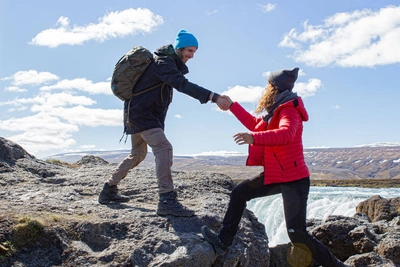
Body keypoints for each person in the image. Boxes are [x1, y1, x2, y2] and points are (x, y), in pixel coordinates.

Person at [202, 68, 349, 266]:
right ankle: (223, 242)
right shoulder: (274, 111)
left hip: (294, 179)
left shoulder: (289, 109)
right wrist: (232, 106)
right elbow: (256, 125)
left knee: (298, 235)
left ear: (275, 88)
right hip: (277, 175)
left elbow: (286, 133)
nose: (266, 89)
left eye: (269, 85)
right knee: (239, 193)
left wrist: (253, 138)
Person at [98, 29, 230, 217]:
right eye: (189, 51)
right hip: (142, 115)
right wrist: (213, 97)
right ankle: (166, 199)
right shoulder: (163, 63)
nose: (191, 56)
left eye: (194, 52)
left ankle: (108, 190)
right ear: (179, 48)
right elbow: (182, 85)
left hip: (136, 114)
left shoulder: (165, 63)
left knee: (137, 154)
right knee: (164, 148)